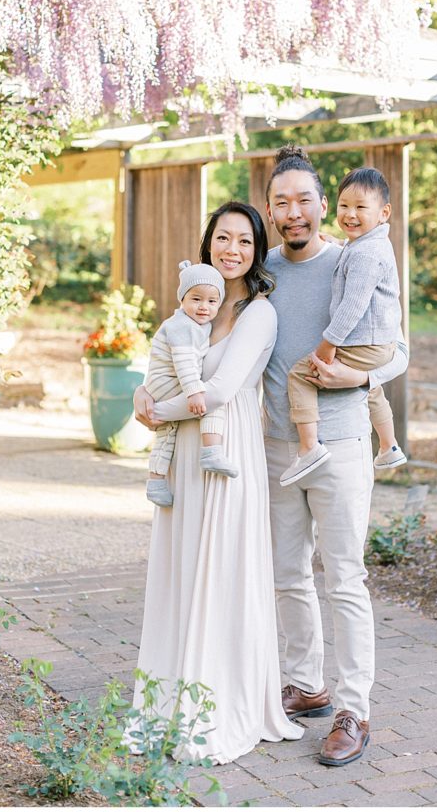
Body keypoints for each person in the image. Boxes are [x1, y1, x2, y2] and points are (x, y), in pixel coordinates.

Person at [132, 201, 304, 764]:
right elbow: (162, 362)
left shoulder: (259, 314)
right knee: (181, 570)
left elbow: (224, 390)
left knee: (221, 572)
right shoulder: (192, 309)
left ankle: (217, 703)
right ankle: (168, 696)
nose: (233, 250)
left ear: (257, 252)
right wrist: (143, 393)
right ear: (208, 244)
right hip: (184, 455)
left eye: (245, 242)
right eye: (223, 238)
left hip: (227, 454)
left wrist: (158, 411)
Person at [263, 144, 409, 767]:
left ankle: (354, 708)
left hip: (344, 442)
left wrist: (356, 381)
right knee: (288, 575)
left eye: (304, 200)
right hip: (276, 444)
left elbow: (396, 350)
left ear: (325, 206)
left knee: (344, 578)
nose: (293, 212)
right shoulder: (258, 268)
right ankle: (307, 684)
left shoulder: (356, 260)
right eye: (280, 202)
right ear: (270, 209)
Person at [282, 165, 406, 486]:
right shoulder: (366, 245)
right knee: (371, 389)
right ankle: (389, 445)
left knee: (301, 375)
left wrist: (328, 343)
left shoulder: (366, 254)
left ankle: (309, 447)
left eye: (361, 207)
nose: (350, 214)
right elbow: (355, 255)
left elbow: (352, 307)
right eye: (344, 206)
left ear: (384, 213)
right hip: (380, 347)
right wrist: (338, 242)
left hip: (363, 343)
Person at [144, 259, 238, 508]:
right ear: (182, 299)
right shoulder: (182, 326)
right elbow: (185, 362)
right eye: (196, 299)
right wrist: (195, 392)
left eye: (211, 301)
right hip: (167, 380)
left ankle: (155, 481)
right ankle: (212, 452)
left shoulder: (197, 325)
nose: (204, 307)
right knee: (213, 402)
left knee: (167, 432)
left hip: (161, 383)